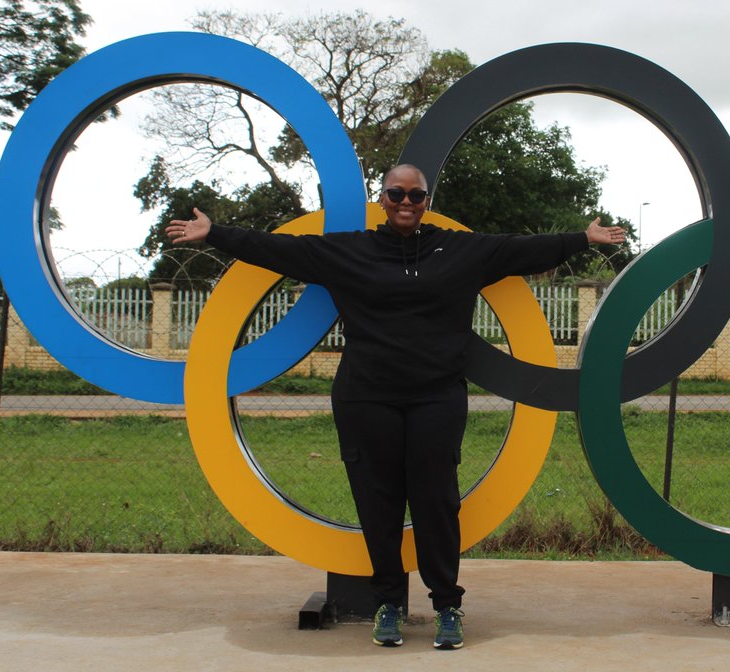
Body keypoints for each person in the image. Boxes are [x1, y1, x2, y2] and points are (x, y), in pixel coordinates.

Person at [166, 163, 626, 649]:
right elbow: (279, 249)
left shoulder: (460, 249)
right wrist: (215, 233)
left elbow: (521, 249)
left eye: (416, 195)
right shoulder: (350, 251)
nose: (406, 202)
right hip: (366, 398)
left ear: (427, 201)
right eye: (397, 194)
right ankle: (387, 603)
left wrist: (583, 238)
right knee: (378, 503)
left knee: (437, 504)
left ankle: (447, 606)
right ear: (382, 198)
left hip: (436, 398)